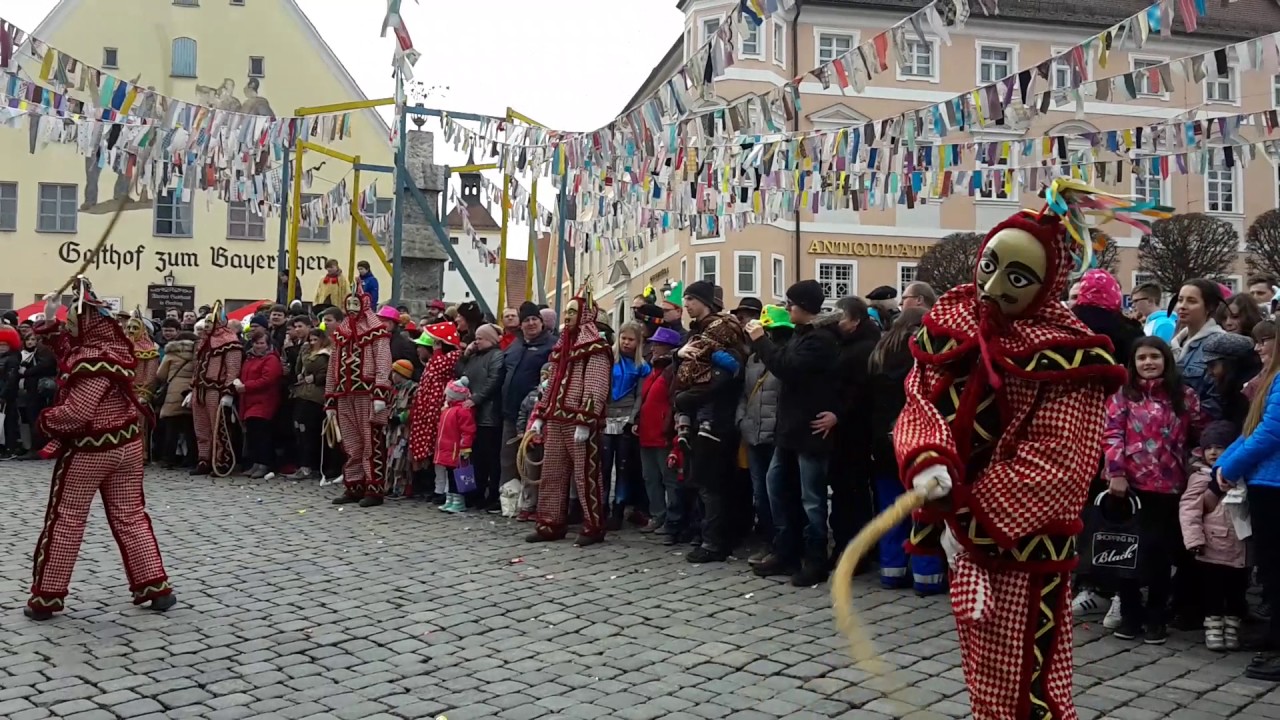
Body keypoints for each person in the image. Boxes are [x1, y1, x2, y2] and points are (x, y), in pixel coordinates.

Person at [893, 198, 1127, 719]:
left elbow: (1058, 460)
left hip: (1024, 544)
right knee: (985, 668)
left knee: (1027, 680)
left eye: (1018, 277)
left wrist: (968, 520)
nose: (994, 286)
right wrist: (926, 456)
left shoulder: (1071, 355)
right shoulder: (954, 321)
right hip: (969, 534)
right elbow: (919, 398)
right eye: (990, 265)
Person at [24, 280, 175, 620]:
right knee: (131, 517)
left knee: (67, 520)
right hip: (127, 445)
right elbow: (66, 346)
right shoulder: (113, 348)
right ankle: (155, 587)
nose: (69, 327)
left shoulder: (93, 359)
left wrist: (46, 421)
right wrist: (49, 316)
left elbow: (78, 412)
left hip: (92, 448)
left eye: (72, 320)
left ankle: (46, 598)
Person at [1103, 337, 1204, 644]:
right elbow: (1111, 434)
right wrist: (1116, 472)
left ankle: (1156, 616)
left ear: (1166, 360)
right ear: (1133, 363)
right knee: (1127, 552)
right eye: (1142, 358)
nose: (1148, 363)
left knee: (1159, 554)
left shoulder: (1184, 396)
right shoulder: (1123, 395)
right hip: (1131, 487)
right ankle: (1131, 615)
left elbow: (1198, 435)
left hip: (1170, 485)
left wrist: (1196, 464)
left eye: (1154, 357)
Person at [745, 280, 839, 585]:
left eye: (791, 304)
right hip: (789, 430)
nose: (788, 309)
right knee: (777, 489)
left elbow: (786, 366)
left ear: (804, 307)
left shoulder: (821, 340)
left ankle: (815, 560)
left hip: (809, 431)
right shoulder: (803, 336)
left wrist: (761, 340)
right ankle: (785, 551)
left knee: (812, 499)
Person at [1213, 327, 1280, 680]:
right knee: (1270, 569)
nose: (1259, 347)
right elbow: (1251, 431)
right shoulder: (1272, 378)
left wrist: (1231, 465)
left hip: (1275, 482)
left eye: (1266, 340)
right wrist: (1222, 465)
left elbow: (1272, 432)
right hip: (1266, 481)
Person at [867, 308, 945, 594]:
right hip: (917, 439)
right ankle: (927, 576)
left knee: (890, 509)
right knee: (924, 509)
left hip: (882, 442)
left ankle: (892, 571)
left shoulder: (880, 351)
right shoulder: (926, 351)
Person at [526, 289, 612, 547]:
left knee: (586, 474)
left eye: (573, 312)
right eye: (567, 312)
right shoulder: (562, 347)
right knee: (552, 472)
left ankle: (593, 524)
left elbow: (596, 384)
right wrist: (541, 414)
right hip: (556, 417)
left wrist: (587, 418)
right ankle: (550, 522)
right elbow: (550, 382)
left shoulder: (595, 347)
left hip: (579, 421)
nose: (568, 317)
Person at [1181, 421, 1248, 651]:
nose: (1213, 452)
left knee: (1237, 591)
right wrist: (1194, 540)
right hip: (1212, 546)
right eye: (1209, 447)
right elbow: (1189, 510)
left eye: (1219, 447)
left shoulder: (1243, 476)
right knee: (1213, 592)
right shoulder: (1201, 477)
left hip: (1241, 547)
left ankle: (1232, 628)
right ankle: (1213, 627)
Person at [326, 284, 393, 507]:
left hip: (367, 393)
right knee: (351, 444)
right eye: (349, 304)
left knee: (370, 443)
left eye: (356, 304)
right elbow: (332, 366)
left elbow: (383, 361)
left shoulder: (376, 332)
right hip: (345, 393)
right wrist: (330, 398)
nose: (352, 308)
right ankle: (353, 486)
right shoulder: (341, 334)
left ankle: (374, 489)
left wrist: (380, 392)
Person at [738, 306, 786, 560]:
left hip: (775, 435)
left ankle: (782, 543)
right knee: (761, 493)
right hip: (753, 433)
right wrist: (741, 420)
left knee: (777, 492)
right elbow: (744, 395)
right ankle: (768, 541)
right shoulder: (752, 360)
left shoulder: (782, 359)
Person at [500, 303, 555, 494]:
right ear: (521, 325)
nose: (531, 324)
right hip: (510, 410)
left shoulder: (551, 345)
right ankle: (508, 497)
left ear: (541, 322)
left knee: (532, 459)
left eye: (534, 319)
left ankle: (531, 501)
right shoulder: (515, 345)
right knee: (508, 458)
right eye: (526, 321)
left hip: (535, 413)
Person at [602, 322, 651, 530]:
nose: (626, 343)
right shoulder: (608, 359)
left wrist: (632, 418)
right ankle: (601, 506)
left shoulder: (641, 366)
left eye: (631, 340)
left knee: (623, 467)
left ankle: (618, 508)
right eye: (623, 338)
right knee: (603, 466)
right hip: (606, 416)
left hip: (625, 417)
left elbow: (641, 395)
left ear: (638, 343)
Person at [455, 323, 506, 511]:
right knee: (476, 459)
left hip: (489, 415)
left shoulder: (497, 356)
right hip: (472, 415)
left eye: (480, 338)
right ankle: (474, 493)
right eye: (475, 338)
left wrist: (476, 399)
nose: (476, 341)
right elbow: (460, 374)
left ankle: (491, 495)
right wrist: (465, 355)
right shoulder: (475, 357)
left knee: (490, 459)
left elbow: (494, 381)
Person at [409, 324, 461, 505]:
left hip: (441, 414)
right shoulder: (434, 361)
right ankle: (437, 488)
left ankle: (445, 490)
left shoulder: (450, 357)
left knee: (443, 455)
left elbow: (439, 368)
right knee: (435, 455)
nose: (417, 350)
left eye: (421, 347)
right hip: (428, 413)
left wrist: (438, 349)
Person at [637, 327, 682, 534]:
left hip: (663, 433)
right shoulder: (653, 370)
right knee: (650, 477)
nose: (653, 347)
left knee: (668, 478)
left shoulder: (672, 371)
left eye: (658, 344)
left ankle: (673, 518)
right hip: (647, 433)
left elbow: (674, 401)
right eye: (654, 343)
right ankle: (658, 515)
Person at [191, 304, 243, 476]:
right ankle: (204, 459)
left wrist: (228, 391)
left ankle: (222, 461)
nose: (206, 325)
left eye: (210, 322)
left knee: (219, 427)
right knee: (201, 427)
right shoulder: (203, 342)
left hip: (216, 389)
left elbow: (233, 368)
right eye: (205, 322)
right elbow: (197, 366)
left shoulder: (230, 342)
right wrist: (193, 387)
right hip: (200, 388)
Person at [1173, 278, 1228, 419]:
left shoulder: (1219, 343)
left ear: (1209, 307)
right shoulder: (1175, 343)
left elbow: (1217, 400)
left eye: (1191, 301)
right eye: (1180, 300)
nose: (1182, 306)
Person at [289, 328, 330, 480]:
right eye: (310, 340)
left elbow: (316, 369)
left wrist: (304, 351)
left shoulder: (324, 354)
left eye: (315, 340)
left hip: (315, 396)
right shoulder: (309, 352)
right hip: (303, 393)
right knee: (298, 429)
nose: (312, 343)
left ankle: (309, 466)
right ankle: (302, 464)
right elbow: (299, 368)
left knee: (308, 432)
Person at [154, 330, 196, 468]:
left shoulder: (171, 353)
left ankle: (168, 459)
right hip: (189, 394)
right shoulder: (197, 354)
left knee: (171, 430)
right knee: (190, 430)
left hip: (173, 393)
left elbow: (161, 374)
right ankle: (191, 459)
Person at [434, 377, 477, 513]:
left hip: (456, 450)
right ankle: (450, 498)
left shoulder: (462, 411)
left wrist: (465, 447)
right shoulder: (447, 410)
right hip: (447, 449)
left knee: (457, 475)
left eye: (447, 394)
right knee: (450, 474)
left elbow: (467, 431)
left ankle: (458, 499)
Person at [0, 324, 23, 457]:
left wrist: (3, 395)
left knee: (9, 421)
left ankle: (10, 448)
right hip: (3, 393)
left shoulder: (13, 358)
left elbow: (11, 379)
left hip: (7, 395)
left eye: (4, 344)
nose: (1, 347)